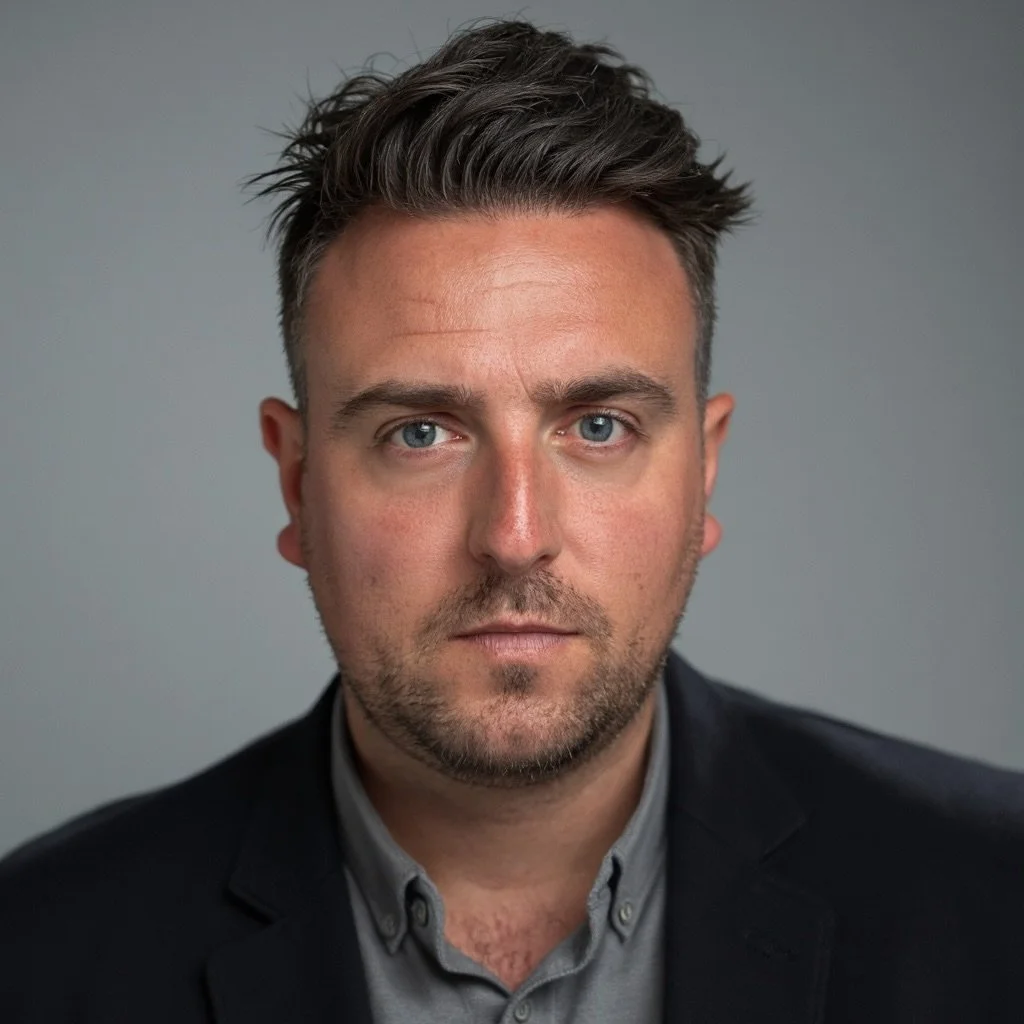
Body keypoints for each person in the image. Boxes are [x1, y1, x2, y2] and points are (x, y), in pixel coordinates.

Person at [1, 17, 1021, 1024]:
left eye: (599, 425)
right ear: (295, 484)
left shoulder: (996, 898)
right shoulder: (37, 954)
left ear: (703, 470)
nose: (513, 533)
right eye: (421, 434)